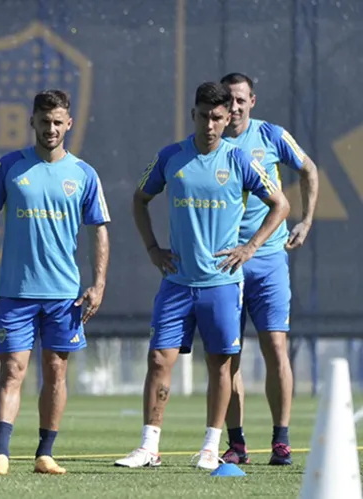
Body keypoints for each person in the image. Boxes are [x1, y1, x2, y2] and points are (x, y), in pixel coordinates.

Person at [115, 82, 289, 470]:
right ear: (192, 114)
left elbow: (280, 203)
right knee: (159, 360)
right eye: (203, 115)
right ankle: (149, 447)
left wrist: (250, 248)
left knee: (221, 365)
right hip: (176, 282)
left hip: (222, 284)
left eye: (217, 117)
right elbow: (140, 199)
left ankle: (211, 447)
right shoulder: (171, 156)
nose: (209, 124)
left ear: (228, 119)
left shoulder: (240, 160)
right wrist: (152, 249)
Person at [0, 89, 111, 475]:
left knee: (56, 372)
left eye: (57, 122)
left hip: (64, 295)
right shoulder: (9, 167)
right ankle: (0, 453)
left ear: (69, 123)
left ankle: (44, 453)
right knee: (13, 370)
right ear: (31, 121)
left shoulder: (84, 173)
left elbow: (99, 231)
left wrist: (98, 284)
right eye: (44, 121)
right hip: (16, 291)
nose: (50, 129)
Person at [219, 72, 319, 466]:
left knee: (276, 347)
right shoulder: (209, 142)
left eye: (241, 99)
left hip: (267, 259)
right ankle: (237, 443)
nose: (235, 106)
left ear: (252, 101)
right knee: (228, 355)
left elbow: (309, 169)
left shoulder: (272, 135)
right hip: (224, 264)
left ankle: (281, 440)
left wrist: (307, 221)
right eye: (228, 99)